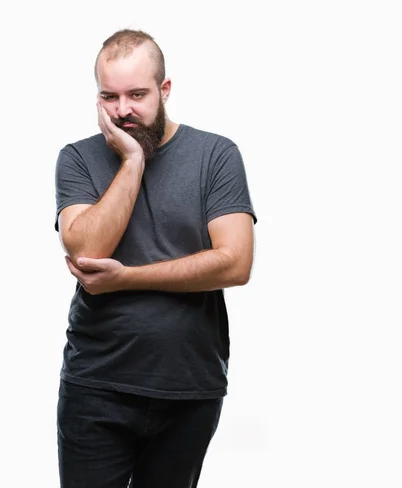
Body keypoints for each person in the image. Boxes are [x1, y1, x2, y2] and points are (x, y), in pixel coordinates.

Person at [53, 28, 257, 488]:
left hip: (189, 386)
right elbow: (87, 248)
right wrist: (131, 161)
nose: (123, 109)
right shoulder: (79, 159)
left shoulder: (215, 155)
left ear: (165, 90)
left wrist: (127, 278)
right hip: (96, 386)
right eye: (110, 96)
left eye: (137, 94)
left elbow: (236, 263)